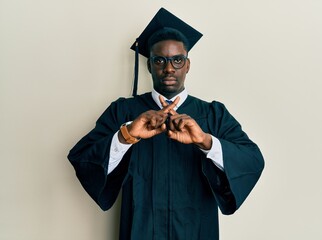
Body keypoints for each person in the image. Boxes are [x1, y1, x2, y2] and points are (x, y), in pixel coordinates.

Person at [68, 8, 264, 240]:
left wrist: (205, 141)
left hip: (196, 230)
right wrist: (127, 135)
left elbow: (252, 160)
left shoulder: (212, 114)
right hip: (141, 229)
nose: (169, 68)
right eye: (159, 60)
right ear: (149, 65)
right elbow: (83, 158)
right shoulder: (123, 111)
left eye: (177, 60)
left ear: (187, 65)